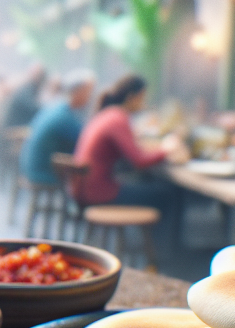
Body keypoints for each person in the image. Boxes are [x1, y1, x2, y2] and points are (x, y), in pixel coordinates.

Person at [70, 74, 187, 251]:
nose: (144, 102)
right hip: (99, 192)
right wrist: (167, 150)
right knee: (168, 194)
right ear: (132, 97)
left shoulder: (107, 114)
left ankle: (147, 247)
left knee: (148, 185)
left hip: (86, 188)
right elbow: (138, 161)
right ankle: (164, 253)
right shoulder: (118, 117)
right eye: (143, 97)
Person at [20, 69, 95, 186]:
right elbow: (86, 140)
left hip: (30, 165)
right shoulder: (64, 116)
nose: (90, 97)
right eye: (89, 92)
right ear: (78, 91)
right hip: (42, 171)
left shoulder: (58, 106)